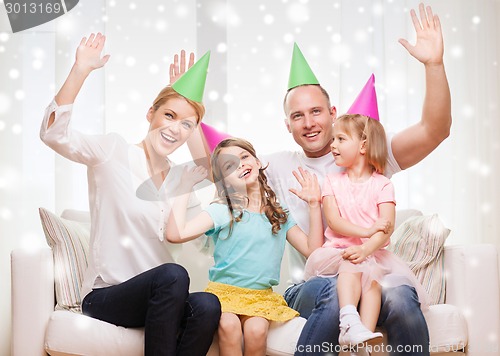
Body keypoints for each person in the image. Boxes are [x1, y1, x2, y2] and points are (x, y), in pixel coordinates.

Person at [179, 3, 450, 355]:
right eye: (298, 115)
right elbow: (216, 162)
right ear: (287, 124)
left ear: (334, 113)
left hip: (372, 280)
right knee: (331, 289)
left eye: (316, 111)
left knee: (400, 295)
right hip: (311, 286)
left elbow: (434, 130)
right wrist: (185, 108)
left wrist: (434, 65)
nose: (309, 122)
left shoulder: (367, 157)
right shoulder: (275, 167)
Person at [40, 32, 221, 355]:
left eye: (186, 125)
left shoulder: (180, 181)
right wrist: (80, 70)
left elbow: (212, 170)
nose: (174, 129)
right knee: (173, 275)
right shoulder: (113, 151)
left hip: (162, 295)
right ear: (151, 113)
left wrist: (189, 105)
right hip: (107, 296)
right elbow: (54, 134)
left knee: (207, 305)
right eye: (169, 115)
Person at [165, 137, 323, 356]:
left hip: (261, 297)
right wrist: (184, 187)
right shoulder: (223, 209)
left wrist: (314, 205)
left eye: (244, 157)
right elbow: (175, 234)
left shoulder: (279, 213)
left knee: (257, 330)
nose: (240, 165)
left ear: (258, 161)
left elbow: (312, 251)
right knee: (229, 326)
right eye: (230, 166)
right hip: (224, 295)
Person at [303, 114, 429, 350]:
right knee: (353, 261)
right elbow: (334, 220)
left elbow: (386, 229)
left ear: (362, 145)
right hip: (337, 253)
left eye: (340, 139)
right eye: (333, 139)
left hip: (371, 253)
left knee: (373, 279)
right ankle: (349, 320)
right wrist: (366, 232)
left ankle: (362, 340)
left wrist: (366, 247)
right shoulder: (331, 181)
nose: (333, 145)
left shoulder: (383, 184)